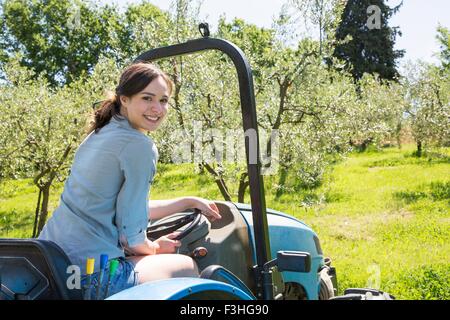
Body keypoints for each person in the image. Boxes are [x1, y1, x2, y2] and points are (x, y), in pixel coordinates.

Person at [38, 62, 221, 299]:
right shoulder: (139, 145)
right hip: (90, 276)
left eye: (163, 100)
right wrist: (156, 247)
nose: (157, 108)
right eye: (147, 98)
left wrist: (188, 201)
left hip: (48, 265)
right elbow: (132, 239)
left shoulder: (99, 133)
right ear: (124, 99)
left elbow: (125, 209)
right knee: (185, 266)